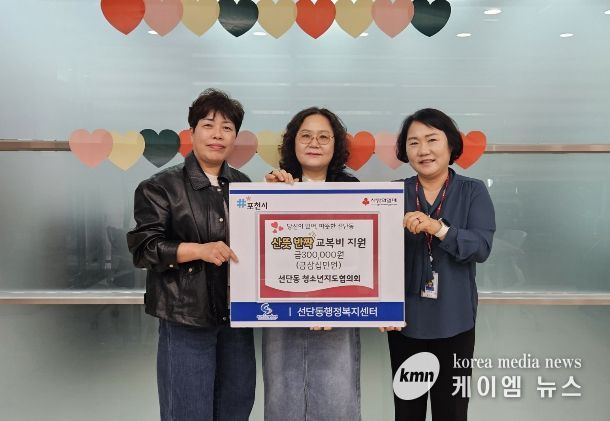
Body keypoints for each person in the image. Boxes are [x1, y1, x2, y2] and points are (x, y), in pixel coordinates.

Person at [126, 89, 255, 421]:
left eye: (227, 128)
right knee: (187, 412)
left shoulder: (244, 185)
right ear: (192, 132)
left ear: (235, 137)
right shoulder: (160, 186)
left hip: (236, 320)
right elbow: (144, 248)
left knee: (236, 407)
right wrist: (199, 250)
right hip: (185, 319)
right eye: (208, 125)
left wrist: (282, 193)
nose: (217, 135)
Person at [384, 108, 495, 421]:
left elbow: (481, 247)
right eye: (414, 142)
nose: (423, 150)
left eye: (432, 139)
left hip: (455, 321)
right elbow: (375, 253)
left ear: (450, 145)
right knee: (408, 410)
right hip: (406, 323)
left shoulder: (472, 191)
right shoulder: (393, 193)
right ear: (405, 150)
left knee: (452, 411)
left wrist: (439, 228)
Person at [263, 107, 361, 421]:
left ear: (335, 145)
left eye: (323, 137)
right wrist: (266, 197)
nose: (314, 143)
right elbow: (260, 252)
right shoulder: (276, 187)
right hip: (283, 313)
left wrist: (334, 303)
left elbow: (363, 258)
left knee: (337, 400)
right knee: (282, 399)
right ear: (293, 142)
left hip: (338, 314)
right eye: (305, 135)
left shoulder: (354, 192)